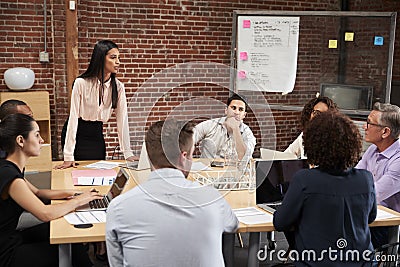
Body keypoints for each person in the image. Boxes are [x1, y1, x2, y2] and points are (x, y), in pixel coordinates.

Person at [106, 119, 239, 266]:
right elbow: (232, 225)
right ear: (183, 157)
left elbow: (116, 263)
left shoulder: (118, 208)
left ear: (149, 156)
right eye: (191, 156)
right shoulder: (212, 198)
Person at [274, 112, 376, 266]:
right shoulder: (366, 179)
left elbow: (280, 222)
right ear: (353, 144)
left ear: (312, 144)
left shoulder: (304, 179)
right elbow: (370, 217)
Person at [0, 113, 103, 266]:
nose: (41, 140)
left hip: (12, 237)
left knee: (69, 235)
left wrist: (73, 193)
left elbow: (38, 193)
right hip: (6, 251)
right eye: (36, 135)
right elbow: (44, 213)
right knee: (71, 250)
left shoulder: (11, 168)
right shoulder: (9, 175)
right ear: (21, 141)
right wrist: (79, 200)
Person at [56, 40, 136, 170]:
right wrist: (68, 155)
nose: (118, 62)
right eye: (113, 57)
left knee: (98, 172)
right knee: (75, 172)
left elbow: (122, 120)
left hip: (96, 135)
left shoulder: (119, 87)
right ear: (100, 58)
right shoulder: (81, 83)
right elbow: (73, 118)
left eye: (119, 58)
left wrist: (127, 152)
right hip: (78, 133)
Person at [356, 102, 400, 248]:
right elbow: (354, 179)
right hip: (369, 218)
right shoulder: (372, 150)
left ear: (385, 132)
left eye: (369, 123)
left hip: (390, 228)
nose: (364, 127)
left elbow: (373, 195)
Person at [194, 93, 256, 163]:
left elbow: (242, 157)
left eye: (241, 109)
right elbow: (189, 138)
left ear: (244, 115)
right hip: (208, 171)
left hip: (234, 172)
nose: (236, 112)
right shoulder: (211, 125)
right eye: (233, 108)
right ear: (226, 110)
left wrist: (235, 129)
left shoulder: (247, 133)